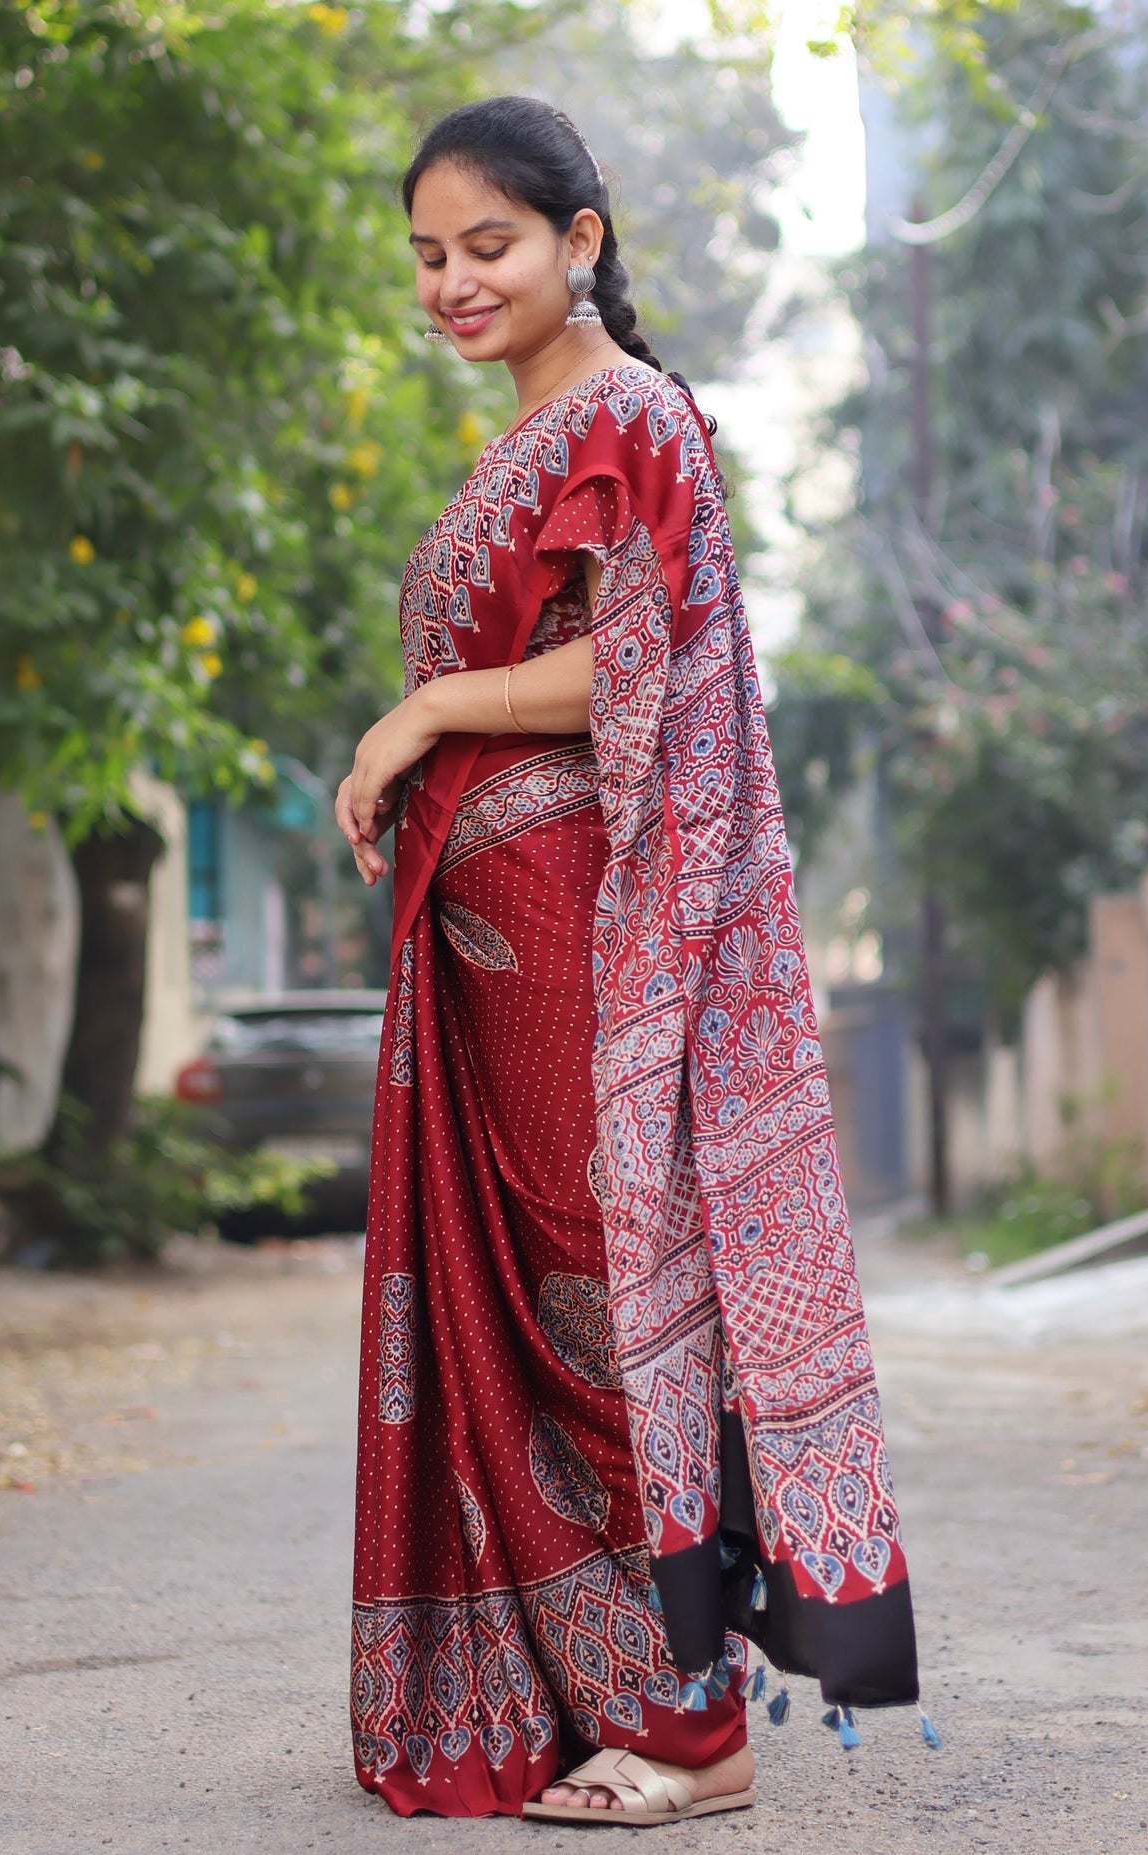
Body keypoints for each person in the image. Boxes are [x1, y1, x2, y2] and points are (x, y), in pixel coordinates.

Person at [335, 95, 919, 1824]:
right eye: (429, 256)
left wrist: (427, 706)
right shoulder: (529, 432)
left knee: (605, 1311)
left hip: (594, 946)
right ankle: (588, 1694)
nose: (451, 281)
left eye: (487, 246)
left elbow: (628, 675)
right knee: (528, 1317)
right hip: (491, 953)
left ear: (581, 241)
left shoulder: (632, 419)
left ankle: (688, 1728)